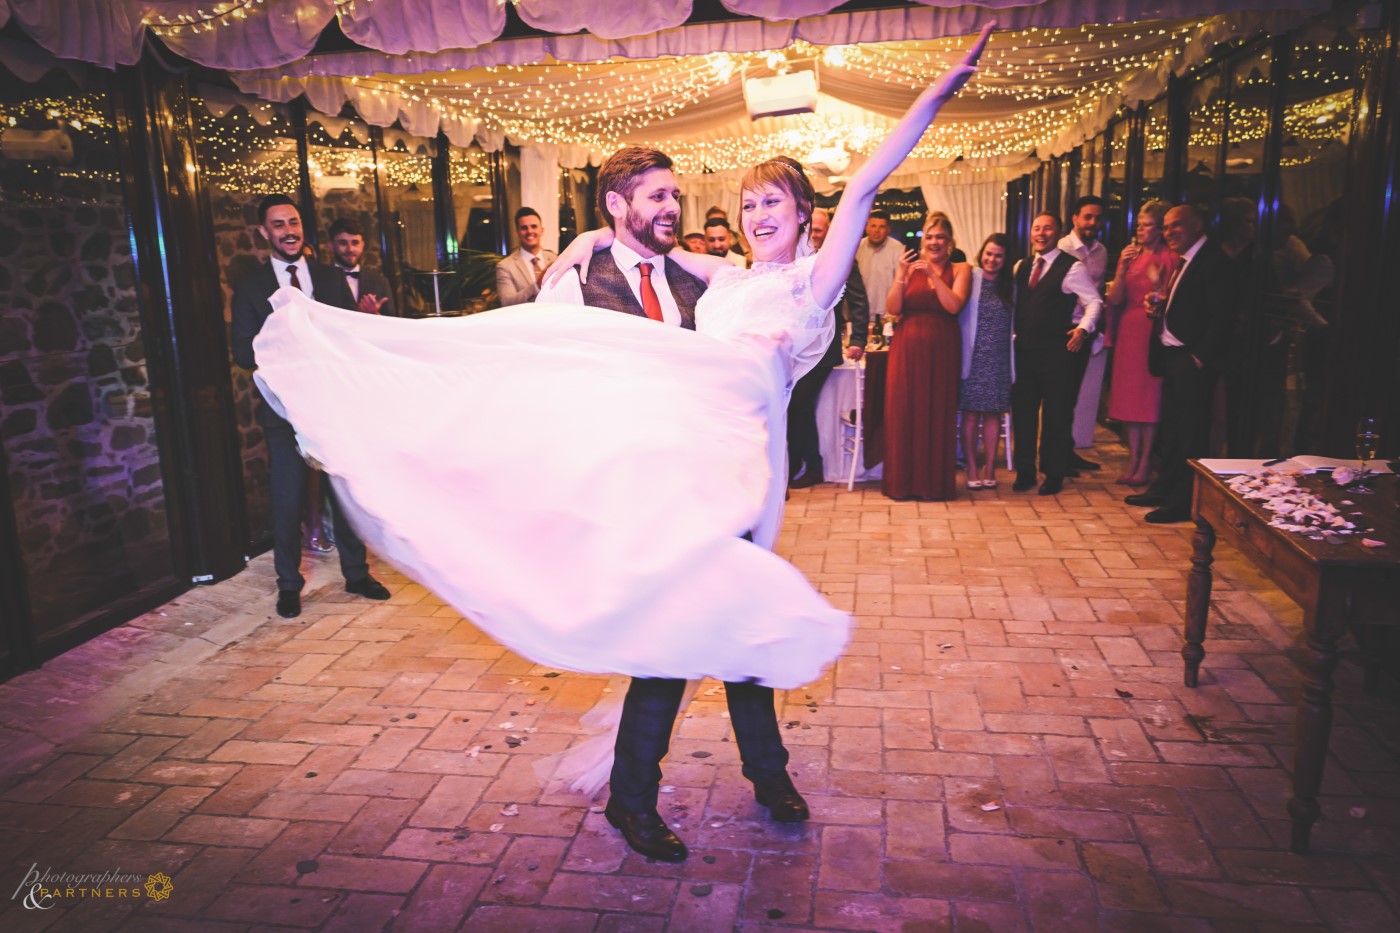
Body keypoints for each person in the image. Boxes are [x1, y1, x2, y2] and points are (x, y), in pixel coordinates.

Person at [251, 24, 994, 862]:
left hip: (747, 467)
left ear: (804, 217)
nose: (756, 215)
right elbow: (625, 248)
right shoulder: (723, 277)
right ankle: (656, 795)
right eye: (747, 204)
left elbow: (867, 184)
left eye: (773, 204)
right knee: (689, 623)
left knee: (729, 613)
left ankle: (750, 776)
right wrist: (581, 241)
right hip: (680, 465)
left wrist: (938, 92)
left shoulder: (810, 281)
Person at [229, 194, 392, 619]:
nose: (289, 231)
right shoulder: (250, 286)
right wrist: (287, 338)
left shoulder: (329, 277)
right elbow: (244, 354)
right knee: (288, 499)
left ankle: (356, 574)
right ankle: (288, 584)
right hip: (284, 413)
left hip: (333, 409)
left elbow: (345, 338)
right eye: (278, 224)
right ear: (265, 233)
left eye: (294, 222)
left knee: (344, 494)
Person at [1125, 204, 1233, 523]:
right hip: (1171, 356)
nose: (1169, 232)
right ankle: (1164, 487)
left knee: (1190, 434)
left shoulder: (1214, 261)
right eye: (1167, 227)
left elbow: (1222, 316)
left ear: (1198, 226)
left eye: (1177, 226)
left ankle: (1183, 502)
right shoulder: (1186, 260)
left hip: (1191, 359)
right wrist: (1159, 309)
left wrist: (1200, 357)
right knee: (1171, 430)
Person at [1010, 212, 1103, 496]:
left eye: (1047, 228)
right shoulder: (1021, 267)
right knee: (1023, 415)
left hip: (1057, 354)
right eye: (1036, 228)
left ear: (1057, 232)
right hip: (1024, 353)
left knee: (1056, 416)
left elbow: (1095, 302)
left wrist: (1083, 330)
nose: (1041, 233)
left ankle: (1054, 473)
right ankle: (1025, 472)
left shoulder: (1072, 268)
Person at [882, 211, 970, 501]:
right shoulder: (909, 269)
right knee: (904, 411)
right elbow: (894, 308)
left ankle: (932, 485)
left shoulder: (961, 269)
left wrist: (932, 273)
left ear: (949, 241)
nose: (934, 242)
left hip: (942, 348)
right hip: (906, 347)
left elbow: (953, 305)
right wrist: (900, 276)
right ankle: (901, 484)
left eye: (940, 237)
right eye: (929, 237)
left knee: (936, 411)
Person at [786, 207, 867, 487]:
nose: (812, 234)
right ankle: (798, 464)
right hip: (794, 346)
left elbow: (858, 301)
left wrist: (858, 339)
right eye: (810, 229)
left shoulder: (841, 258)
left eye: (818, 230)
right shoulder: (793, 258)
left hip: (823, 348)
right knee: (795, 405)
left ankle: (808, 466)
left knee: (800, 403)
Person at [1103, 200, 1178, 486]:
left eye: (1147, 225)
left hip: (1152, 329)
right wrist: (1121, 268)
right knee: (1129, 399)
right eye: (1139, 225)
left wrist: (1159, 285)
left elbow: (1173, 299)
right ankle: (1132, 458)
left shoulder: (1169, 258)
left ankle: (1147, 460)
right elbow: (1114, 299)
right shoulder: (1131, 256)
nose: (1141, 230)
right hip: (1129, 329)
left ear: (1160, 229)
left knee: (1149, 400)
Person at [958, 233, 1016, 489]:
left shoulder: (1011, 286)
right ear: (982, 253)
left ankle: (990, 466)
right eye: (989, 254)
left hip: (999, 358)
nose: (992, 259)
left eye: (999, 256)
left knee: (993, 414)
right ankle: (971, 466)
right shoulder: (971, 278)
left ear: (1005, 259)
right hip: (973, 356)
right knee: (970, 415)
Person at [1059, 195, 1108, 472]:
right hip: (1065, 331)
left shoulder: (1101, 251)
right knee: (1062, 396)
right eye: (1087, 217)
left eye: (1098, 218)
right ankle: (1059, 453)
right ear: (1075, 218)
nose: (1093, 223)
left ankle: (1068, 450)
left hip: (1086, 330)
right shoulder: (1062, 248)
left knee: (1074, 395)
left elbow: (1096, 293)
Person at [329, 218, 394, 317]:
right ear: (331, 246)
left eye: (355, 243)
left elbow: (392, 324)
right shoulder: (319, 280)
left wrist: (375, 314)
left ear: (362, 245)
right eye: (343, 243)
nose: (350, 249)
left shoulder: (380, 282)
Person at [495, 207, 558, 306]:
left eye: (534, 226)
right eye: (524, 228)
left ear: (541, 230)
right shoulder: (505, 266)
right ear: (517, 232)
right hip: (525, 321)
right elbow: (507, 303)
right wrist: (536, 286)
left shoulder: (555, 259)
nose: (529, 231)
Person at [855, 210, 903, 337]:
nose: (877, 230)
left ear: (888, 230)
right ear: (866, 228)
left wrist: (893, 315)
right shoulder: (856, 248)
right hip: (860, 317)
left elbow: (901, 284)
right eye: (873, 226)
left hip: (888, 318)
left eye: (882, 227)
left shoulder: (897, 249)